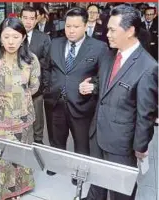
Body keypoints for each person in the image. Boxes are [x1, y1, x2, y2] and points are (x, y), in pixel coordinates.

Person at [79, 5, 158, 200]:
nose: (107, 34)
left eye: (113, 30)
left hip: (121, 144)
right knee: (96, 184)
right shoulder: (108, 55)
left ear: (130, 31)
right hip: (98, 133)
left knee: (120, 193)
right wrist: (92, 87)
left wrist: (140, 148)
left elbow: (145, 114)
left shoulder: (147, 67)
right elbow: (108, 83)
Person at [43, 7, 108, 176]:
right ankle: (56, 164)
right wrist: (48, 87)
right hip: (55, 101)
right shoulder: (55, 43)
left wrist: (94, 85)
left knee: (82, 142)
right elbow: (47, 68)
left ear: (86, 26)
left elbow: (106, 77)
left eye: (76, 26)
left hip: (82, 104)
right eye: (68, 26)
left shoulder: (99, 47)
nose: (71, 31)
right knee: (56, 137)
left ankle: (80, 172)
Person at [0, 17, 40, 200]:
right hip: (0, 113)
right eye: (6, 36)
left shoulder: (31, 59)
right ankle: (2, 190)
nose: (11, 41)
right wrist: (5, 98)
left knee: (21, 151)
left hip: (23, 113)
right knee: (2, 153)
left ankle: (19, 189)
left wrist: (19, 96)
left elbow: (35, 86)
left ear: (23, 37)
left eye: (15, 37)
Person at [20, 6, 51, 144]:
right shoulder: (12, 36)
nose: (28, 22)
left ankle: (38, 141)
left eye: (32, 18)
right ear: (20, 19)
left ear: (36, 20)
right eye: (25, 18)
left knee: (38, 118)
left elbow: (47, 64)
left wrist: (44, 87)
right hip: (16, 89)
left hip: (36, 89)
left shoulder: (43, 38)